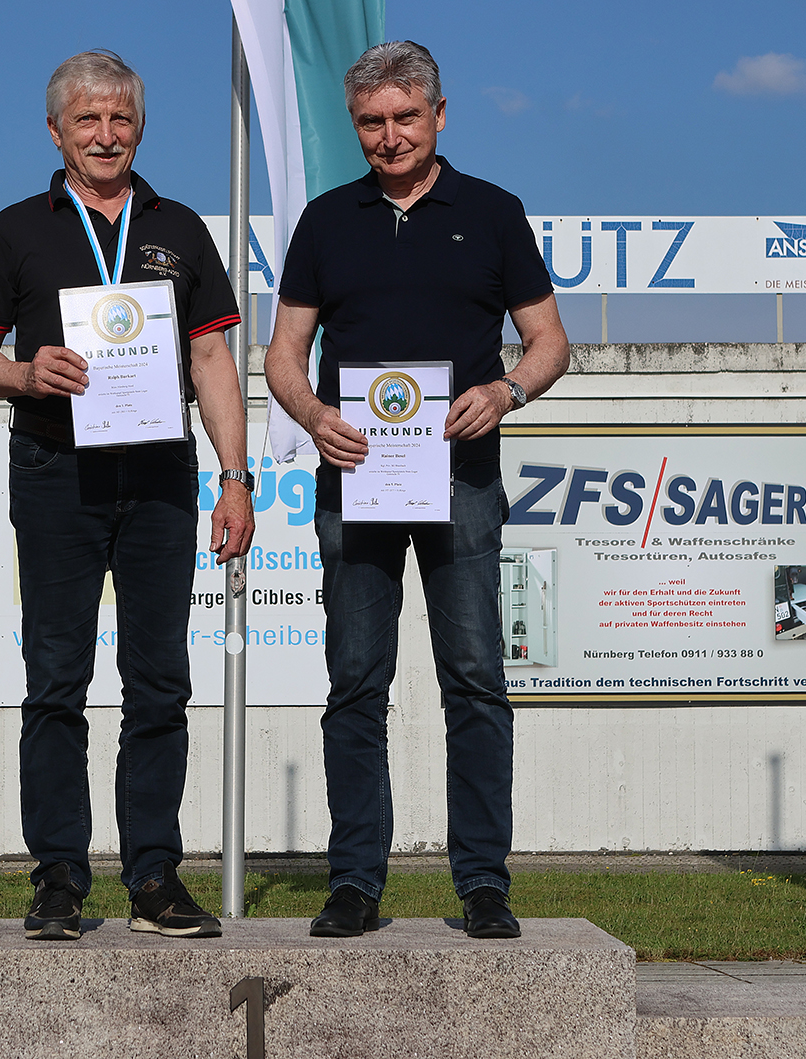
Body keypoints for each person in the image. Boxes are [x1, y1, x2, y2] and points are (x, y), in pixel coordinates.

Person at [264, 41, 570, 939]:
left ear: (439, 114)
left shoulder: (495, 212)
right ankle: (355, 881)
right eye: (371, 122)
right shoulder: (326, 220)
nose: (390, 136)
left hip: (462, 479)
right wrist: (312, 413)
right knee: (356, 683)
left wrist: (506, 392)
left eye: (405, 117)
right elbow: (283, 355)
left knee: (474, 680)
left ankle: (483, 883)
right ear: (354, 125)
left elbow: (551, 342)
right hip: (354, 481)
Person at [0, 50, 254, 941]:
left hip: (159, 476)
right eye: (87, 118)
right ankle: (57, 876)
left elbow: (211, 360)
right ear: (56, 131)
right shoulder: (17, 230)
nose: (105, 134)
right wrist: (24, 372)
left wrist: (235, 477)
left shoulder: (179, 228)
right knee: (56, 680)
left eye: (121, 117)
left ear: (141, 127)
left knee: (160, 682)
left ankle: (154, 875)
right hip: (57, 472)